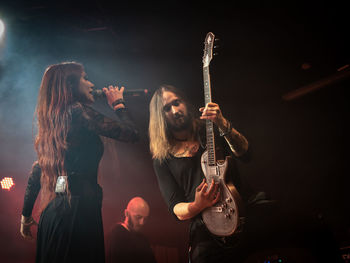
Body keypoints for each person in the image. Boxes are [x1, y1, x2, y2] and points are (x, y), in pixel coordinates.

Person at [20, 61, 139, 263]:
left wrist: (25, 216)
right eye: (85, 78)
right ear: (71, 85)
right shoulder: (77, 111)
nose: (91, 84)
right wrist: (119, 104)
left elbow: (38, 169)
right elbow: (131, 134)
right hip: (76, 215)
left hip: (56, 213)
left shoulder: (55, 119)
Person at [148, 84, 272, 263]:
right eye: (167, 108)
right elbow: (175, 208)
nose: (175, 111)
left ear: (185, 102)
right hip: (206, 229)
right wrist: (197, 205)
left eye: (177, 103)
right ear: (160, 117)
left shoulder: (210, 128)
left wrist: (223, 123)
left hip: (243, 212)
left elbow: (246, 154)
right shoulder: (162, 158)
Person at [107, 196, 157, 263]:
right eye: (138, 217)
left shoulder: (143, 240)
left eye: (145, 219)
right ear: (126, 213)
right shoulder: (116, 234)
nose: (142, 223)